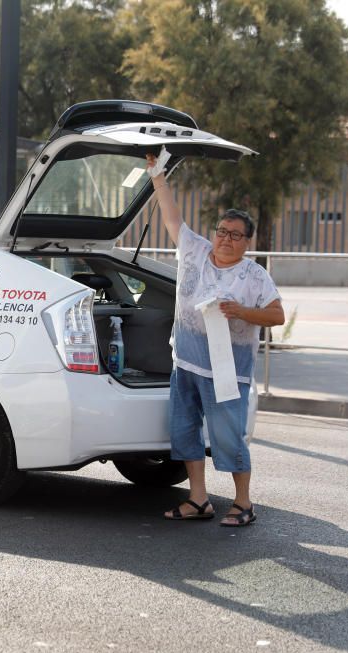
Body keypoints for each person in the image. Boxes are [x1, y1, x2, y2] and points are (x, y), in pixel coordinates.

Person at [147, 150, 284, 528]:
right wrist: (158, 177)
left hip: (227, 373)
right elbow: (172, 216)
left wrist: (240, 311)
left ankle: (244, 503)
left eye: (235, 235)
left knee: (227, 437)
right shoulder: (194, 251)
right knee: (185, 432)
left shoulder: (254, 277)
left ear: (246, 242)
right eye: (221, 231)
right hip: (186, 364)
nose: (225, 239)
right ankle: (198, 499)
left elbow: (277, 315)